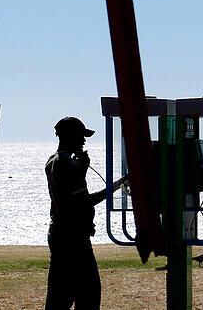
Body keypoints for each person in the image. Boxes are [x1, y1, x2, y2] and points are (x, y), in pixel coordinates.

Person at [44, 116, 128, 310]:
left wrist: (117, 183)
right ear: (69, 136)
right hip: (71, 238)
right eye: (80, 136)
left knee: (63, 295)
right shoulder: (65, 164)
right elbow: (78, 201)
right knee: (85, 294)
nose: (83, 141)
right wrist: (82, 172)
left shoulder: (57, 161)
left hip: (65, 236)